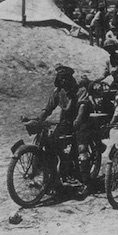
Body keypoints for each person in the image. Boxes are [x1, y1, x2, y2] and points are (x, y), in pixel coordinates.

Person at [32, 65, 96, 194]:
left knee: (81, 149)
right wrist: (39, 119)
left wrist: (77, 121)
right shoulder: (58, 92)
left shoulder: (80, 90)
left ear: (70, 78)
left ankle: (87, 183)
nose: (63, 81)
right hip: (66, 122)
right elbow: (48, 108)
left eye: (66, 78)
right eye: (61, 79)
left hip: (83, 122)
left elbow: (82, 107)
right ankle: (54, 180)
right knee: (50, 144)